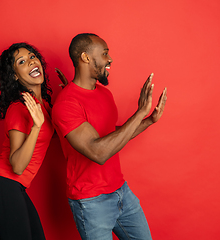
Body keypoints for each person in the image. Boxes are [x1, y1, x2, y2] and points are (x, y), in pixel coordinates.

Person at [52, 33, 167, 240]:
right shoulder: (66, 104)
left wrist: (148, 120)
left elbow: (114, 138)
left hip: (121, 192)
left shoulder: (105, 94)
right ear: (85, 57)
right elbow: (99, 152)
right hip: (91, 202)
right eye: (105, 53)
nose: (110, 59)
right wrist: (140, 112)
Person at [0, 42, 55, 240]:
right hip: (3, 184)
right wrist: (36, 127)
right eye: (22, 61)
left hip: (15, 187)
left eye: (32, 56)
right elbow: (18, 166)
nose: (31, 61)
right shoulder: (19, 108)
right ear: (15, 76)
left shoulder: (44, 105)